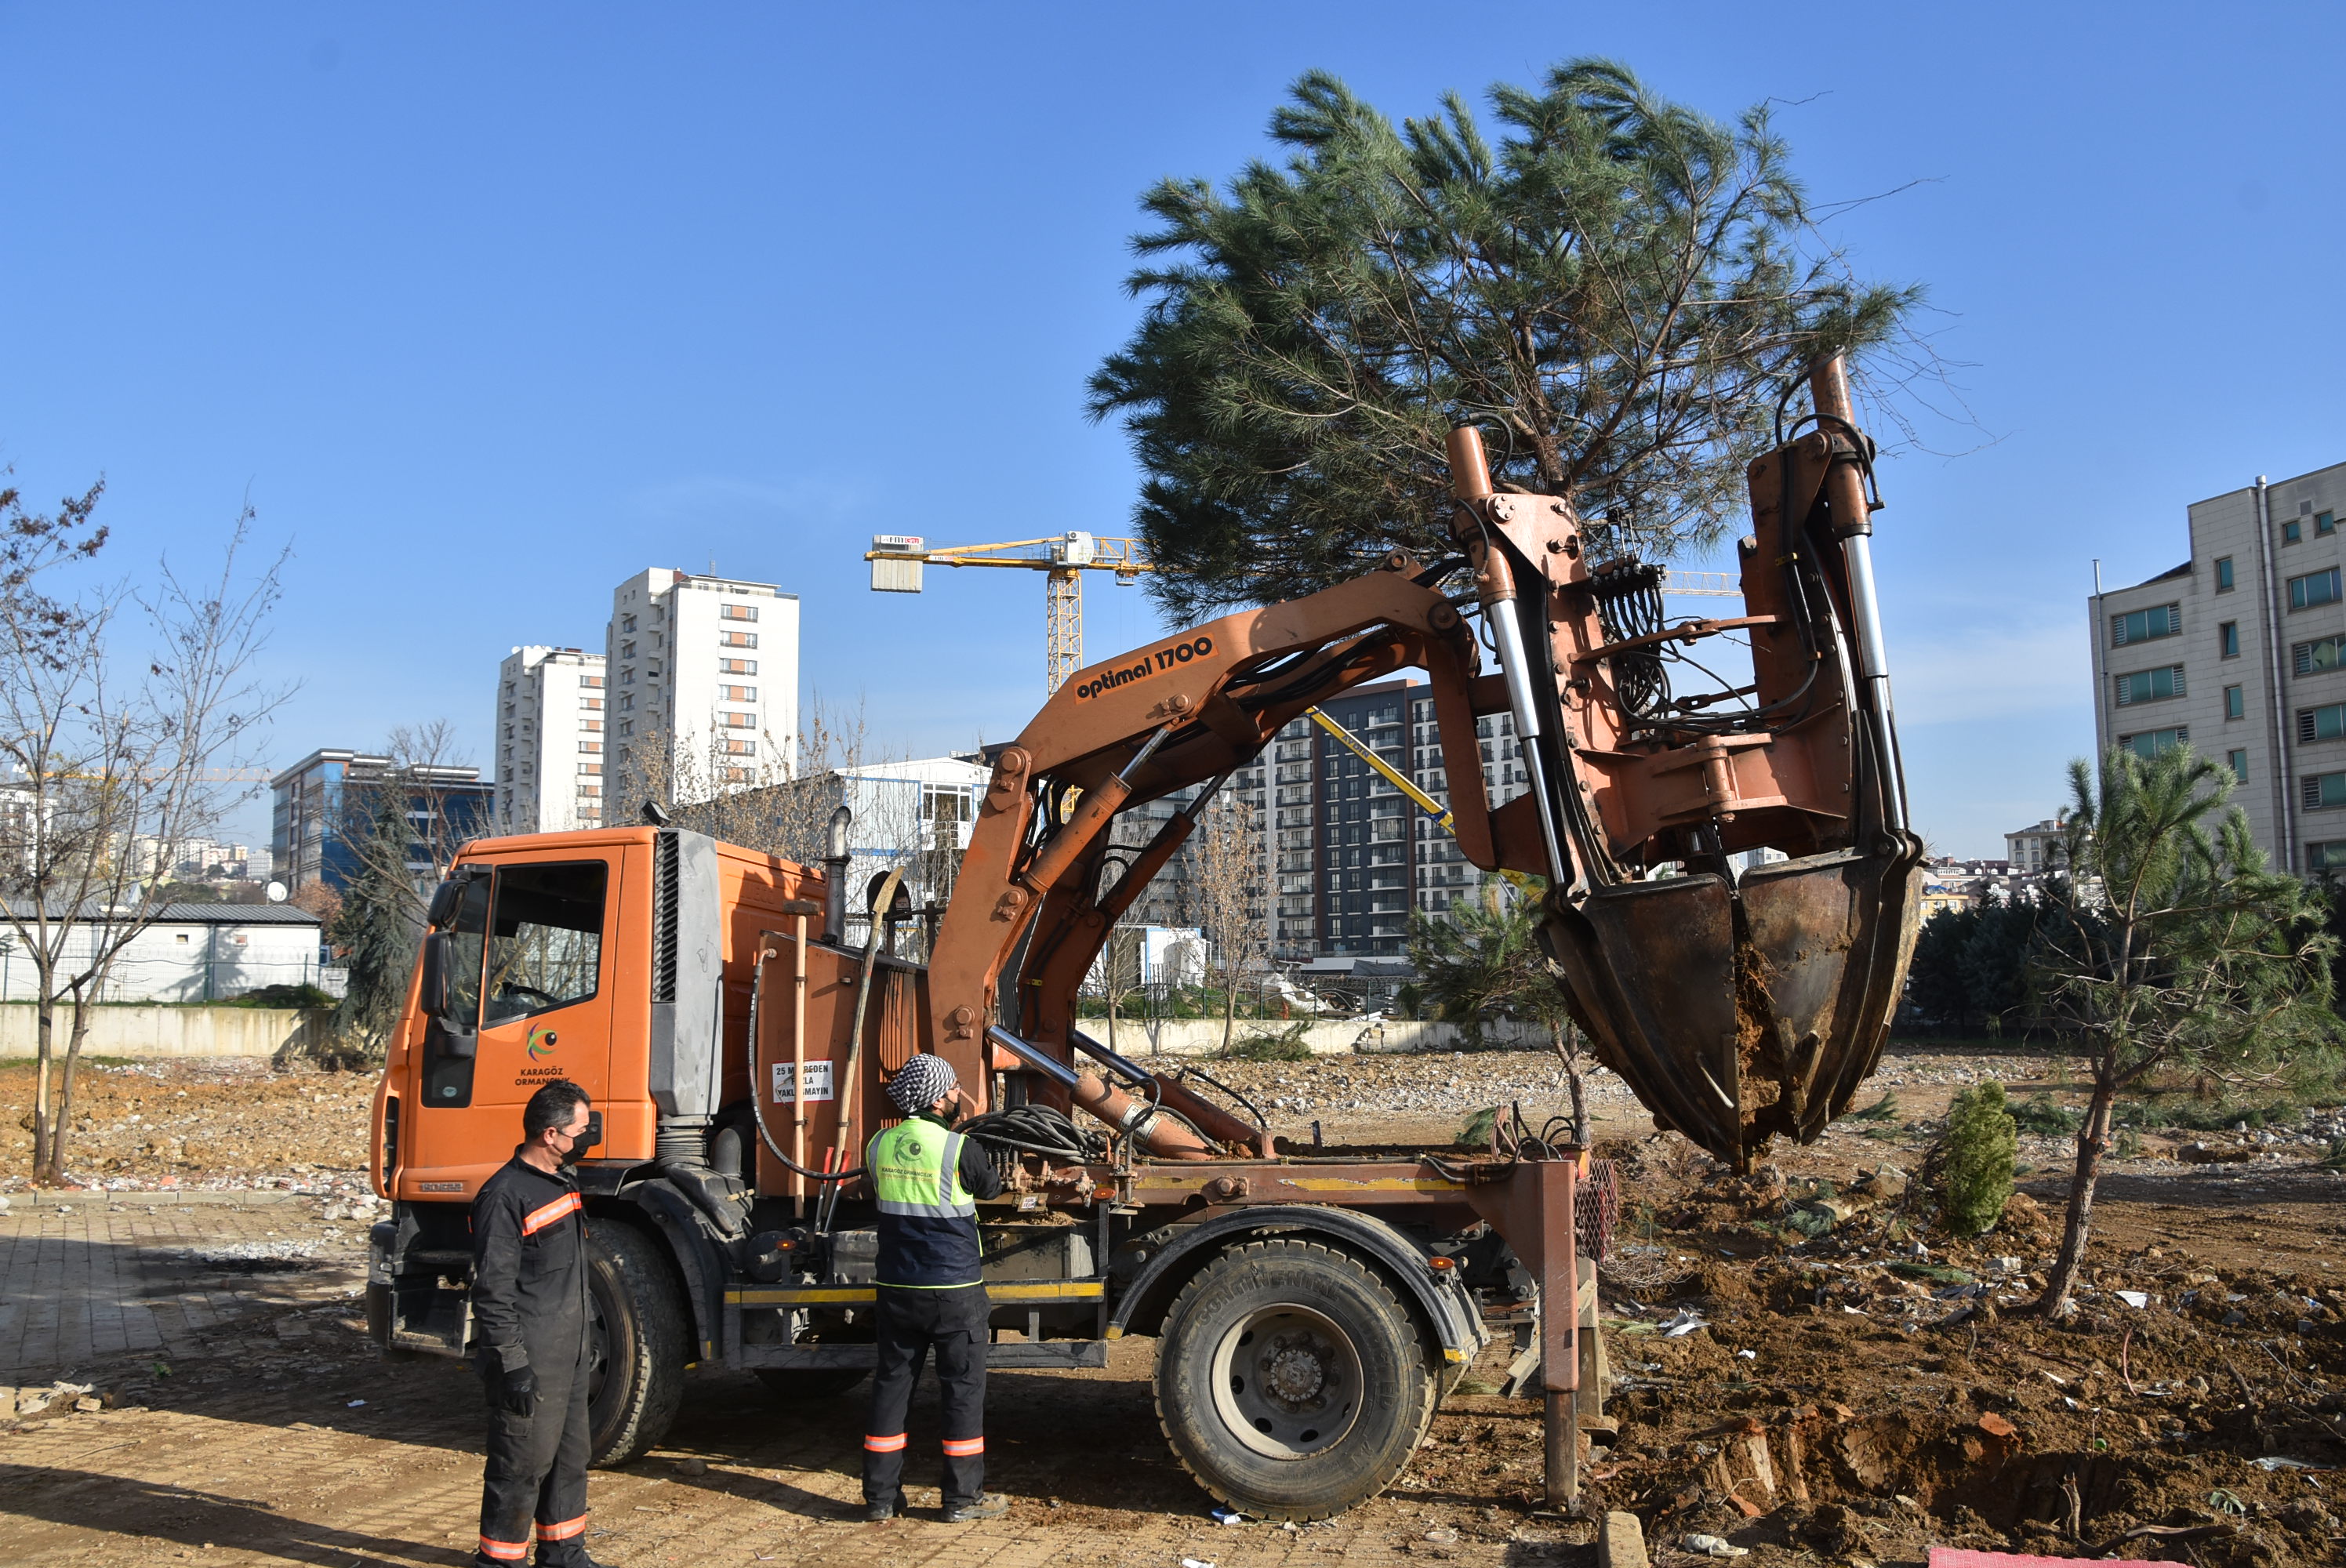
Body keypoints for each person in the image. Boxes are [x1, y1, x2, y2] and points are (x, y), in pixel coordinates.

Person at [861, 1053, 1008, 1523]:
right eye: (953, 1090)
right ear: (939, 1097)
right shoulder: (959, 1148)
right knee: (962, 1391)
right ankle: (961, 1500)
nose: (957, 1098)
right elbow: (990, 1187)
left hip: (896, 1290)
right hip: (954, 1292)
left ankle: (881, 1499)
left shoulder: (878, 1144)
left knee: (891, 1386)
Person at [472, 1080, 602, 1566]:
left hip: (567, 1353)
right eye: (581, 1130)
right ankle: (499, 1560)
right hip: (530, 1356)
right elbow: (492, 1289)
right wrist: (512, 1364)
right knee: (521, 1465)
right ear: (551, 1134)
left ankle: (564, 1554)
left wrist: (586, 1337)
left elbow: (573, 1275)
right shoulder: (504, 1195)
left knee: (569, 1460)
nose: (587, 1138)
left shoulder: (561, 1184)